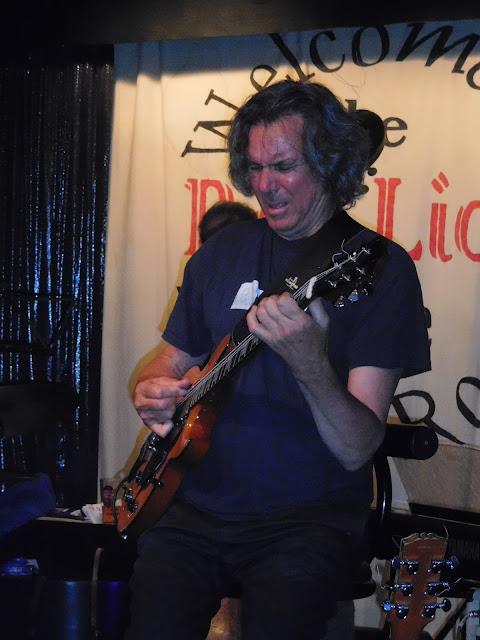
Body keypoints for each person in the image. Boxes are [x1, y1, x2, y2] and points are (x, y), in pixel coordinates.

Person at [125, 80, 431, 640]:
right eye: (255, 167)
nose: (264, 185)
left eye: (284, 166)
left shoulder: (381, 269)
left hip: (305, 521)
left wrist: (309, 359)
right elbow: (166, 362)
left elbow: (357, 446)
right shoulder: (220, 253)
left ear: (329, 164)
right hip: (194, 509)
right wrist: (152, 388)